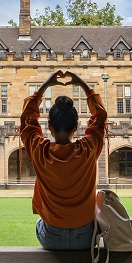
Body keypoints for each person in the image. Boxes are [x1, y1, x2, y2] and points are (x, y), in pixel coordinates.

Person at [19, 70, 108, 250]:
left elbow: (27, 121)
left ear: (49, 126)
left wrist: (44, 87)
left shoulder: (40, 150)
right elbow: (100, 118)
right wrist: (84, 85)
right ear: (76, 126)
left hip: (52, 236)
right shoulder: (88, 149)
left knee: (39, 223)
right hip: (86, 236)